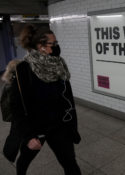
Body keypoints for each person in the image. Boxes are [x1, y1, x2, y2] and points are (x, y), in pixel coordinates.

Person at [1, 24, 81, 175]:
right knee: (24, 160)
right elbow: (16, 106)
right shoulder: (23, 69)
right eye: (53, 43)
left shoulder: (57, 65)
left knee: (70, 163)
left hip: (59, 126)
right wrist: (28, 136)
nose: (57, 46)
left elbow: (67, 97)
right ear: (40, 46)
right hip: (35, 128)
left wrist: (71, 125)